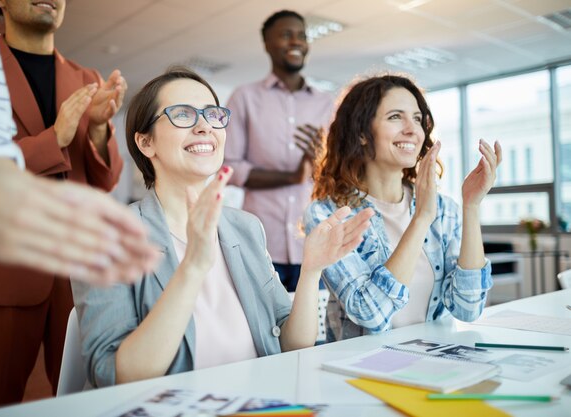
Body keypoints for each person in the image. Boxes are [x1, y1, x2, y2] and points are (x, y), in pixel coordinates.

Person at [72, 67, 374, 387]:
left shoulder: (245, 227)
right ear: (146, 142)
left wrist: (311, 270)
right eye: (183, 115)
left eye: (213, 115)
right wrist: (193, 267)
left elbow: (290, 345)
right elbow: (113, 376)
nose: (205, 126)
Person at [0, 1, 158, 415]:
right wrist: (53, 138)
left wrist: (97, 131)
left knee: (82, 397)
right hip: (1, 264)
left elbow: (107, 178)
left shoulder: (87, 79)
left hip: (75, 272)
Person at [305, 74, 503, 341]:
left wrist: (471, 206)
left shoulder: (444, 209)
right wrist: (420, 219)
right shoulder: (329, 214)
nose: (413, 129)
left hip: (436, 361)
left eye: (418, 119)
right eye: (395, 117)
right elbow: (369, 312)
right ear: (362, 133)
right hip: (364, 369)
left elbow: (468, 309)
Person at [224, 10, 335, 292]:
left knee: (316, 333)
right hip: (261, 244)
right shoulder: (244, 97)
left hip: (314, 242)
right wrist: (293, 176)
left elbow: (340, 168)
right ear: (267, 44)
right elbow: (230, 167)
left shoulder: (326, 104)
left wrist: (320, 163)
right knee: (264, 331)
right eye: (286, 34)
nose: (295, 41)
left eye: (301, 35)